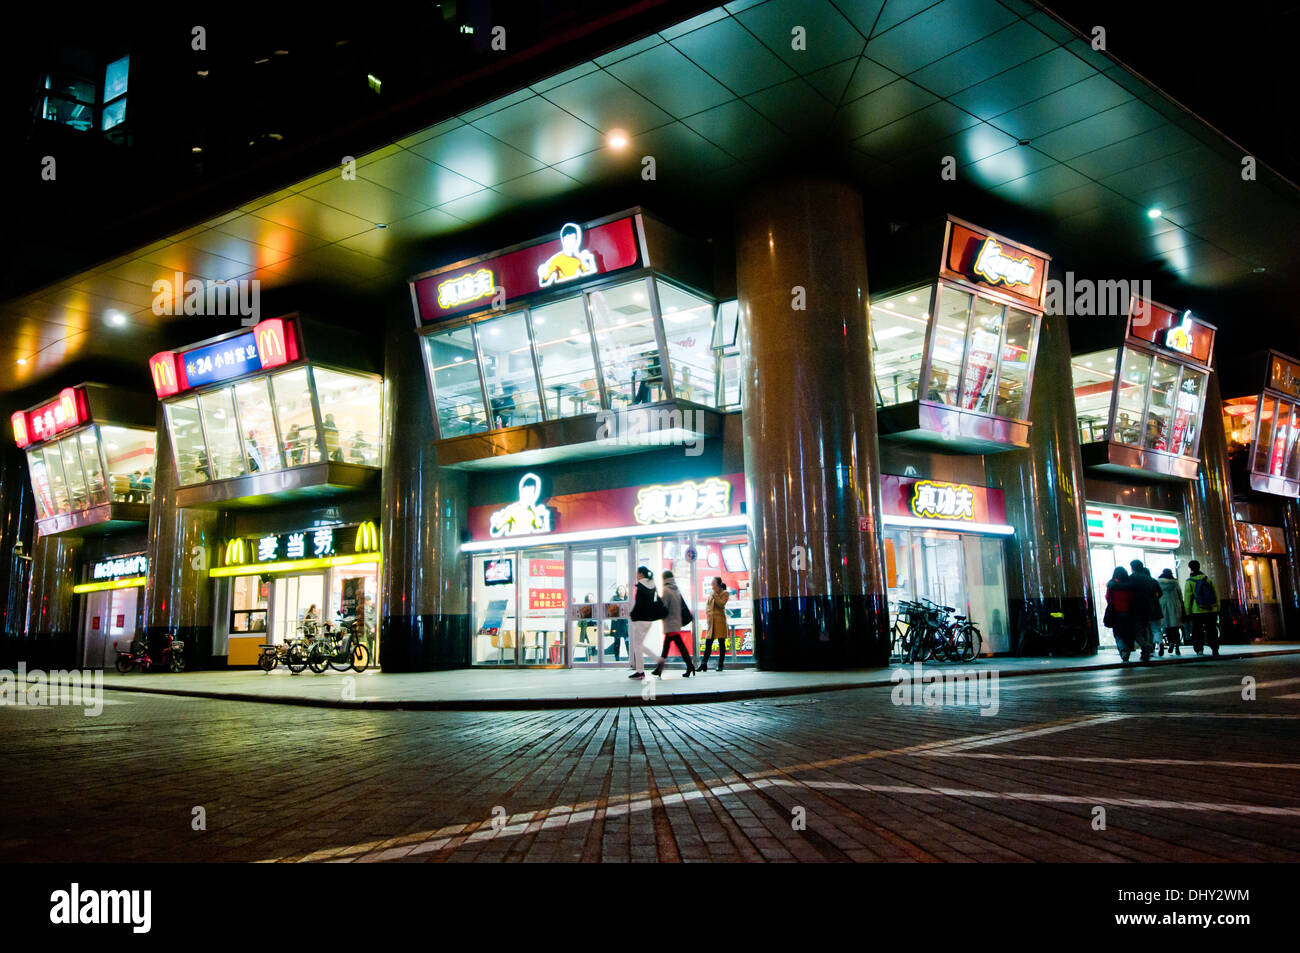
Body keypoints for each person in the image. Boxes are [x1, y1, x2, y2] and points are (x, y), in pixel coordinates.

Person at [652, 570, 696, 678]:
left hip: (670, 623)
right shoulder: (676, 589)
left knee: (674, 648)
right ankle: (660, 669)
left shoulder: (666, 590)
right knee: (670, 648)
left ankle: (689, 666)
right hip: (676, 622)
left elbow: (664, 607)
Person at [627, 567, 664, 680]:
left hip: (639, 620)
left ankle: (641, 671)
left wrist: (632, 615)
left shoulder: (641, 586)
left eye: (637, 573)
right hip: (649, 620)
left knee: (638, 646)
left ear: (641, 574)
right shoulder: (652, 585)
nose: (636, 576)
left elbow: (639, 604)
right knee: (639, 645)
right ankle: (644, 669)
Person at [1183, 559, 1221, 657]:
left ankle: (1199, 649)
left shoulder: (1189, 582)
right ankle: (1215, 649)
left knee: (1197, 631)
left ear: (1190, 569)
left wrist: (1187, 612)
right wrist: (1217, 608)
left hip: (1197, 611)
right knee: (1212, 630)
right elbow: (1216, 594)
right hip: (1211, 610)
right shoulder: (1208, 579)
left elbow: (1187, 599)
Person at [1128, 559, 1161, 662]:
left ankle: (1145, 646)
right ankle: (1146, 649)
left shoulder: (1131, 579)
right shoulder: (1151, 580)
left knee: (1136, 630)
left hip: (1136, 608)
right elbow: (1159, 593)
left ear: (1132, 568)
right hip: (1149, 608)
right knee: (1147, 629)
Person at [698, 577, 730, 672]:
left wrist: (715, 594)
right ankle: (704, 664)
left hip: (720, 622)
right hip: (711, 622)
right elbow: (708, 606)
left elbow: (721, 604)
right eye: (711, 584)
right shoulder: (711, 593)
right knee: (708, 643)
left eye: (713, 584)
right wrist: (708, 614)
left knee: (721, 643)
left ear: (718, 584)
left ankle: (720, 664)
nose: (712, 586)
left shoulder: (725, 593)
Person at [1104, 566, 1135, 662]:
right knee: (1128, 633)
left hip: (1116, 612)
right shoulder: (1129, 585)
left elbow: (1107, 597)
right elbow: (1131, 598)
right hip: (1129, 612)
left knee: (1118, 633)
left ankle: (1122, 650)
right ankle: (1128, 649)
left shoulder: (1112, 585)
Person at [1157, 568, 1183, 656]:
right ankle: (1177, 647)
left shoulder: (1159, 583)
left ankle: (1170, 642)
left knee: (1167, 627)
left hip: (1163, 606)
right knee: (1175, 628)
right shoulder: (1175, 583)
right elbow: (1180, 595)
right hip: (1174, 606)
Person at [605, 584, 629, 661]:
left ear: (625, 591)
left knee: (627, 640)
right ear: (617, 591)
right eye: (620, 590)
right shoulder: (614, 599)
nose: (621, 591)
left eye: (622, 589)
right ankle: (617, 659)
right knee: (617, 641)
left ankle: (630, 658)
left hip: (625, 623)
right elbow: (609, 608)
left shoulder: (627, 599)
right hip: (616, 623)